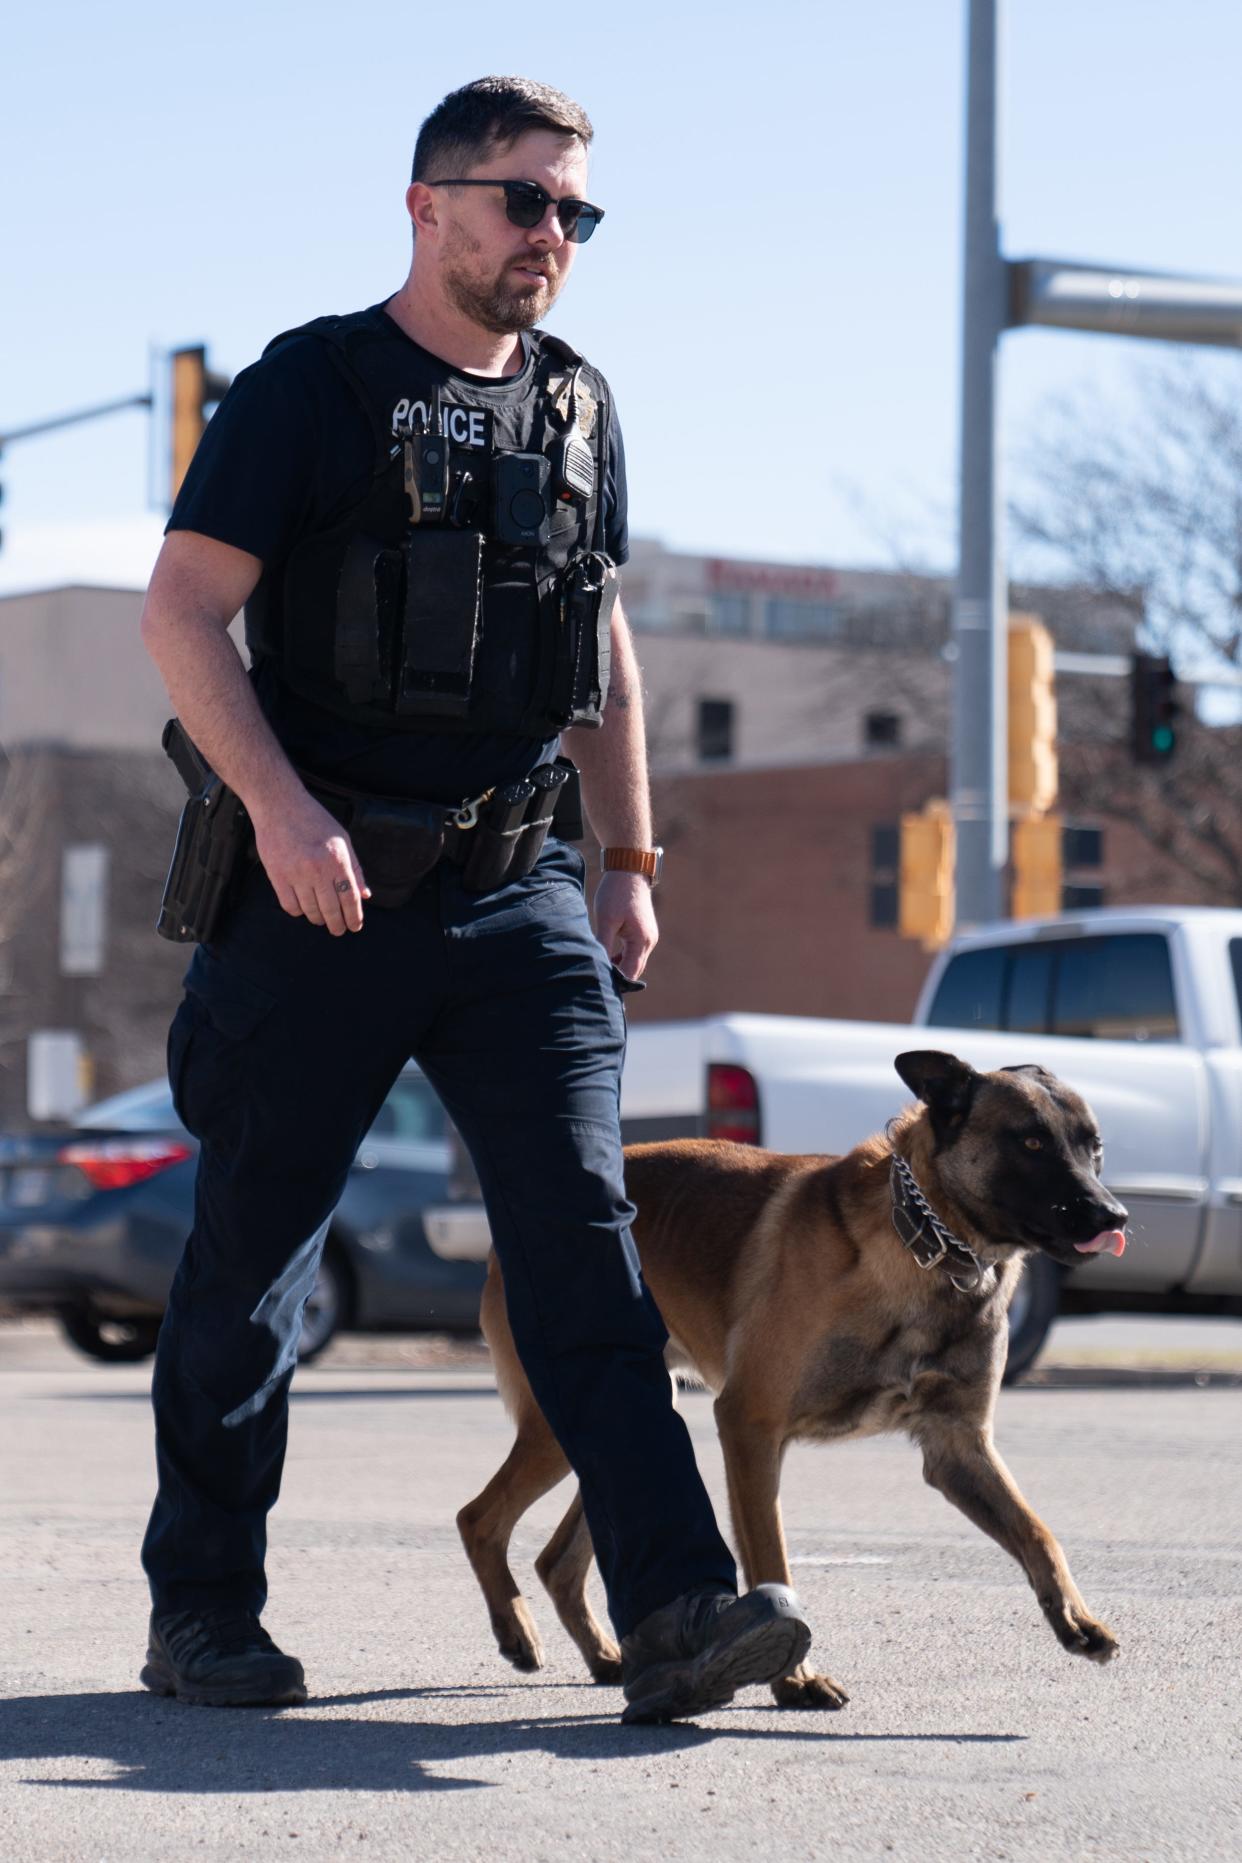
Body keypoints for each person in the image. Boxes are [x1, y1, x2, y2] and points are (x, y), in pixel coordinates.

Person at [137, 75, 811, 1724]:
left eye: (576, 212)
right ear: (428, 203)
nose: (552, 238)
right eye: (525, 202)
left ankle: (677, 1610)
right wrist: (283, 816)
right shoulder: (315, 384)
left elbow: (608, 650)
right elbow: (179, 611)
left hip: (520, 896)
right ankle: (205, 1614)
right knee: (255, 1266)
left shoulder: (580, 406)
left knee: (589, 1248)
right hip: (323, 893)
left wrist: (632, 862)